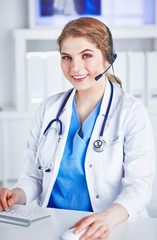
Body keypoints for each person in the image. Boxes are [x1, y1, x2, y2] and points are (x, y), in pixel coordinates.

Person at [0, 17, 155, 240]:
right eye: (66, 57)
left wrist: (108, 217)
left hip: (108, 227)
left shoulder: (130, 111)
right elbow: (33, 177)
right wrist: (15, 195)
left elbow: (139, 186)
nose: (75, 67)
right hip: (52, 224)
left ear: (107, 58)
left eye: (86, 56)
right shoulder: (49, 108)